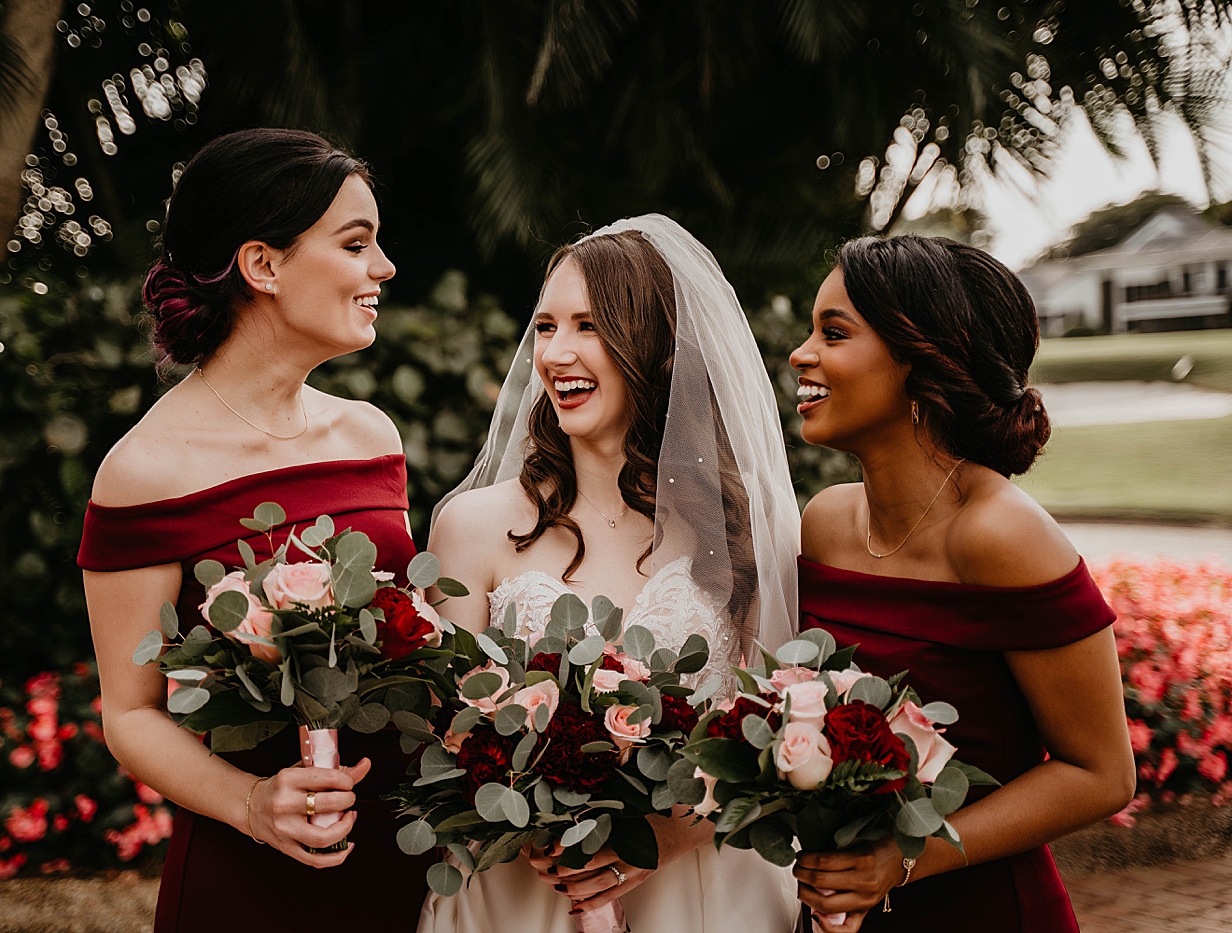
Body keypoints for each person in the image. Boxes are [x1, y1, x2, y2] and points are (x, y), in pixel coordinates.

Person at [78, 128, 431, 932]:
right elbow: (130, 714)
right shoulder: (145, 471)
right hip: (251, 871)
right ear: (263, 264)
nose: (384, 268)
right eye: (356, 243)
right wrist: (251, 802)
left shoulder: (370, 435)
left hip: (398, 855)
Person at [420, 215, 801, 933]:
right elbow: (442, 737)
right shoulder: (470, 525)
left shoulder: (745, 522)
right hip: (524, 895)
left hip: (704, 890)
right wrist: (525, 812)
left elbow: (778, 726)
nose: (557, 352)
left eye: (588, 326)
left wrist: (672, 835)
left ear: (654, 347)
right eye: (545, 327)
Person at [787, 235, 1136, 932]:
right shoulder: (824, 523)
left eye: (833, 332)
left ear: (920, 358)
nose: (801, 352)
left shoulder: (1000, 535)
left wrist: (904, 857)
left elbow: (1101, 772)